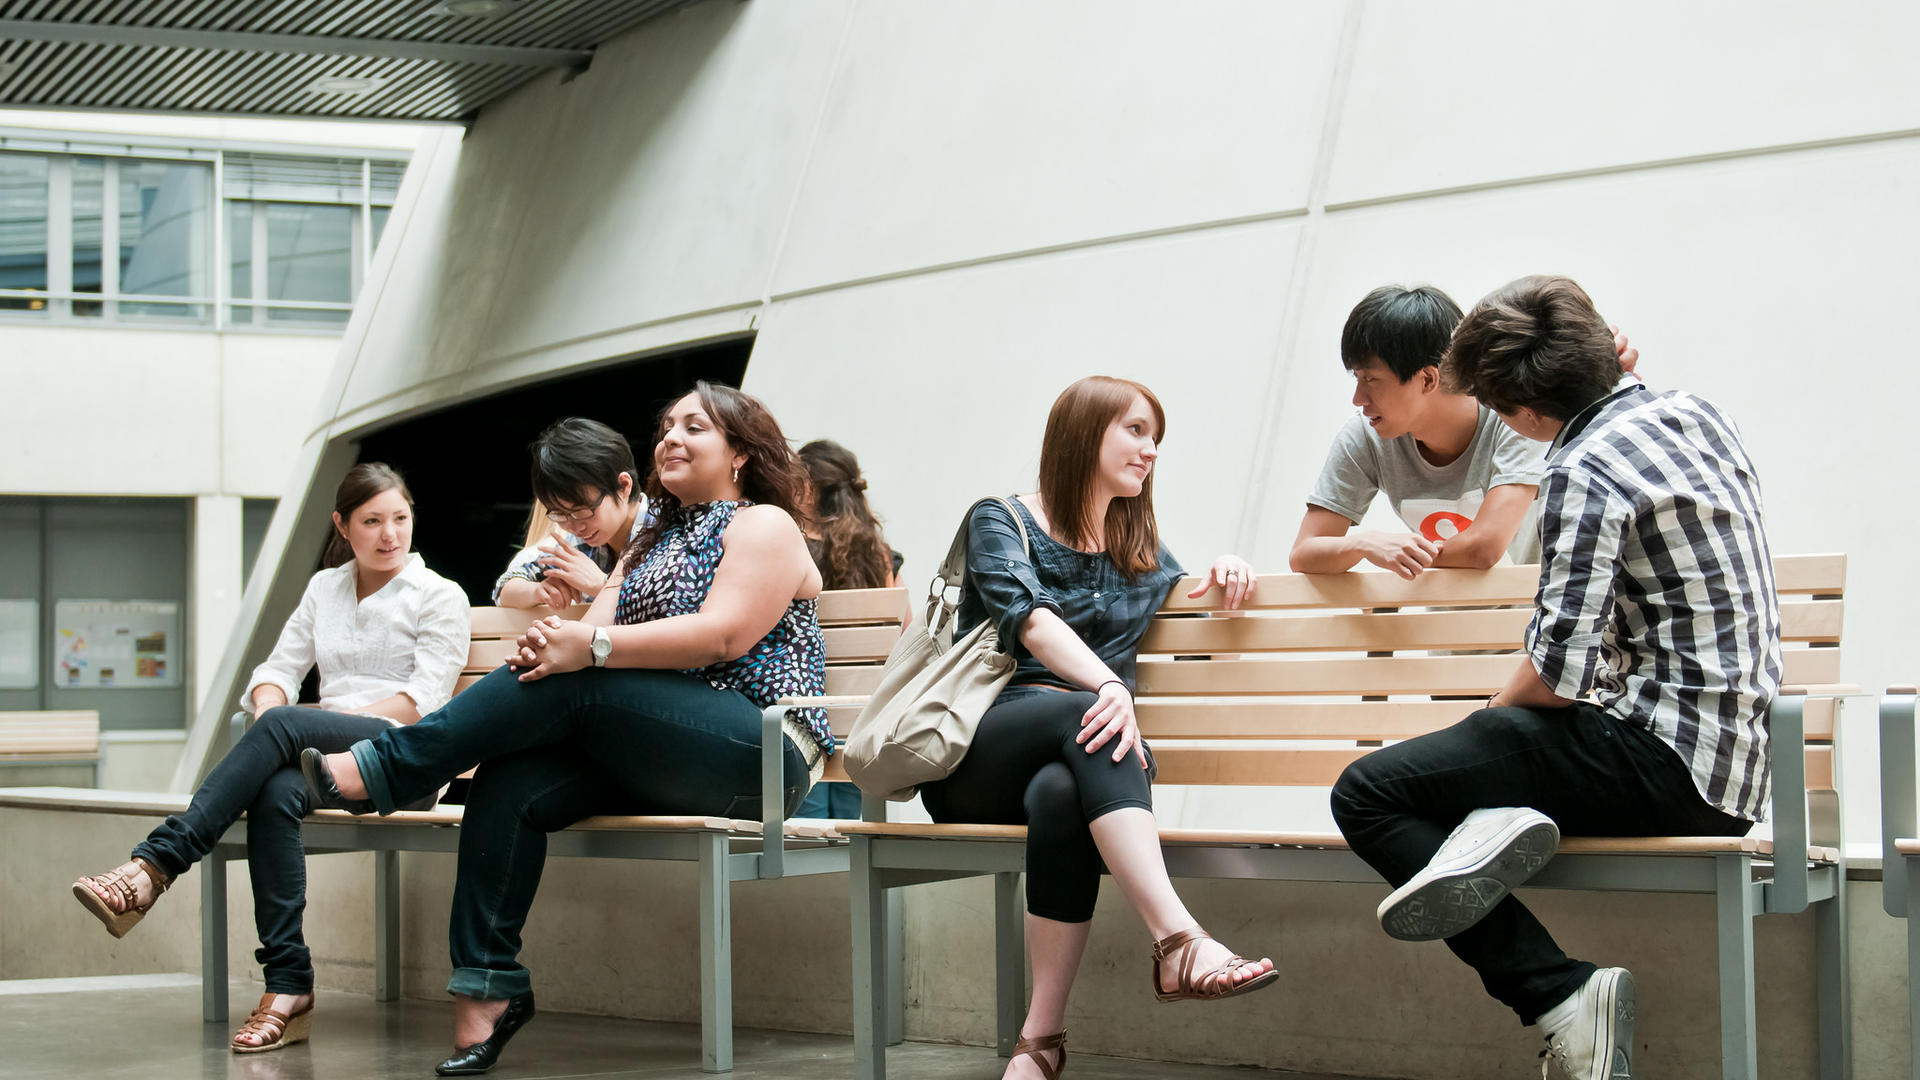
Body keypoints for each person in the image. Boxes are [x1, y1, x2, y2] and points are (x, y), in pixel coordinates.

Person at [298, 381, 829, 1077]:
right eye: (665, 425)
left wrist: (588, 651)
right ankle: (486, 991)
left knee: (579, 683)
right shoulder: (651, 538)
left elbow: (723, 636)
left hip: (756, 754)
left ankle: (391, 767)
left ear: (739, 452)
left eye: (694, 427)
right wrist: (551, 649)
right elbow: (595, 633)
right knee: (511, 781)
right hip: (656, 750)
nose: (669, 436)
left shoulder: (763, 525)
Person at [1330, 276, 1781, 1080]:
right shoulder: (1697, 411)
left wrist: (1484, 733)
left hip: (1661, 761)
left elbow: (1558, 676)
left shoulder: (1581, 465)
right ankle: (1491, 818)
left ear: (1531, 411)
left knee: (1369, 792)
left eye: (1505, 412)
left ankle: (1561, 995)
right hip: (1735, 763)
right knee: (1481, 760)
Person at [920, 376, 1278, 1080]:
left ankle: (1040, 1044)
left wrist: (1229, 568)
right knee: (1091, 712)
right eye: (1135, 430)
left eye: (1156, 438)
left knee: (1061, 792)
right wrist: (1109, 683)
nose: (1149, 450)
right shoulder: (1001, 520)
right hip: (979, 760)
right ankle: (1178, 939)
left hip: (1075, 764)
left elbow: (1197, 613)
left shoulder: (1138, 551)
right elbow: (1031, 621)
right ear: (1085, 432)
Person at [70, 463, 469, 1053]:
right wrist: (270, 716)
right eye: (372, 521)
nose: (390, 534)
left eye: (401, 519)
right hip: (318, 763)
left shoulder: (439, 596)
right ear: (342, 524)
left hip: (399, 764)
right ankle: (288, 984)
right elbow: (277, 672)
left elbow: (421, 702)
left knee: (283, 726)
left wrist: (287, 725)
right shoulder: (324, 589)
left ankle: (154, 866)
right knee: (276, 791)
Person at [1289, 284, 1638, 578]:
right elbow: (1304, 552)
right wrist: (1365, 543)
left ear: (1428, 378)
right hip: (1453, 631)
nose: (1358, 398)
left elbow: (1484, 547)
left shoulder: (1510, 413)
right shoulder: (1365, 436)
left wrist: (1408, 556)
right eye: (1357, 379)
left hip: (1531, 627)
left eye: (1371, 380)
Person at [794, 438, 901, 819]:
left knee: (806, 821)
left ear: (806, 488)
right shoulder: (881, 554)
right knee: (854, 828)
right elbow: (899, 634)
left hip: (804, 713)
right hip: (863, 719)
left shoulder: (788, 549)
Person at [494, 417, 648, 611]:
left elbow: (673, 609)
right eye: (560, 514)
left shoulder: (670, 532)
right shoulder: (580, 545)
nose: (575, 527)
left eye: (582, 511)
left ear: (623, 486)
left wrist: (602, 585)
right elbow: (503, 589)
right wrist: (539, 590)